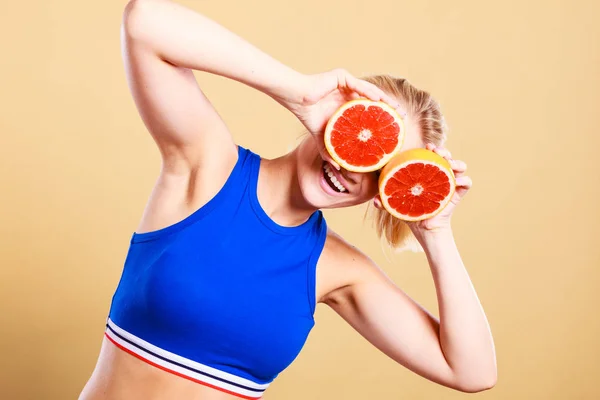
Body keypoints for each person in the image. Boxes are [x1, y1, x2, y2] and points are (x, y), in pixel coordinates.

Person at [79, 0, 497, 399]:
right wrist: (296, 91)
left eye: (382, 169)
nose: (356, 170)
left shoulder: (338, 269)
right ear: (334, 118)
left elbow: (472, 372)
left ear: (383, 194)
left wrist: (434, 232)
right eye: (361, 144)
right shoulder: (206, 166)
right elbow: (145, 20)